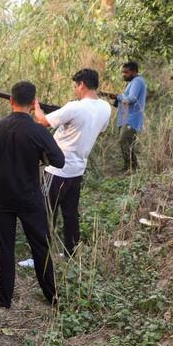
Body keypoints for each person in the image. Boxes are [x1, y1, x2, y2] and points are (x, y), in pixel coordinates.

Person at [0, 81, 65, 309]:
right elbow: (59, 160)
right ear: (33, 103)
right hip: (30, 198)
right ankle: (52, 297)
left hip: (1, 198)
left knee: (5, 249)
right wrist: (40, 157)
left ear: (11, 100)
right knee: (40, 247)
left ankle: (4, 299)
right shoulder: (38, 131)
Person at [34, 69, 112, 256]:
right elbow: (99, 129)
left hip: (56, 170)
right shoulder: (106, 108)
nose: (76, 90)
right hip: (77, 170)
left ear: (82, 85)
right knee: (70, 215)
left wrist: (36, 106)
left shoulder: (74, 107)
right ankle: (71, 253)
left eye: (76, 86)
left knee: (44, 213)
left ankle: (42, 256)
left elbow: (42, 122)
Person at [104, 61, 147, 172]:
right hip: (126, 118)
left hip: (131, 118)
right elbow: (125, 99)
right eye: (123, 72)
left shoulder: (137, 81)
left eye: (126, 72)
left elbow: (132, 99)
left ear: (134, 71)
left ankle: (131, 168)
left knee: (124, 140)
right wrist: (113, 98)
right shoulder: (132, 82)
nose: (124, 75)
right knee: (127, 143)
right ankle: (131, 167)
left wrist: (117, 97)